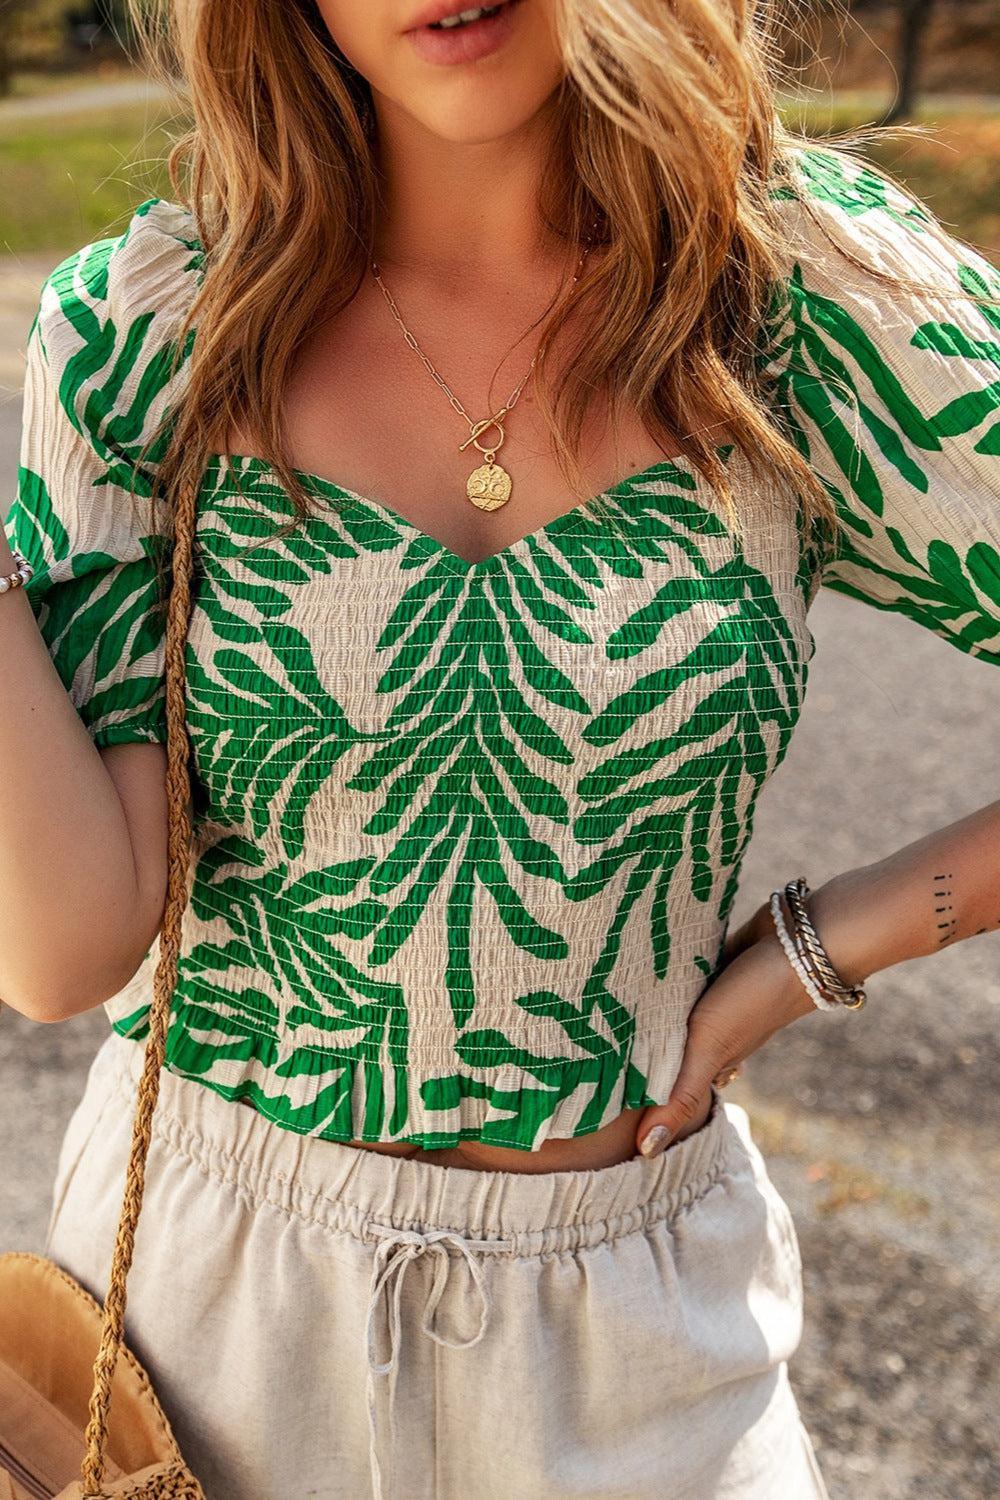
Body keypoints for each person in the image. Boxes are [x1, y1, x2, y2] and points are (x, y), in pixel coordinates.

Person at [2, 1, 998, 1497]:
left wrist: (822, 946)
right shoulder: (154, 327)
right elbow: (62, 949)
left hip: (638, 1333)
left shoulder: (797, 299)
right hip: (209, 1329)